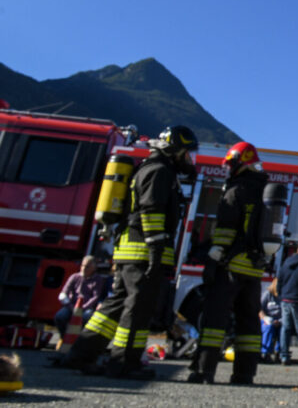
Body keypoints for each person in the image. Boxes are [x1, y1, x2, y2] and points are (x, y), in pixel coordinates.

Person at [63, 125, 197, 379]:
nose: (190, 160)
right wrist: (157, 251)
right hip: (143, 253)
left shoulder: (149, 168)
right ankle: (124, 363)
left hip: (130, 250)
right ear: (176, 151)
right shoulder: (160, 172)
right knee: (138, 309)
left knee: (115, 306)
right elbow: (151, 211)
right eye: (187, 154)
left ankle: (81, 354)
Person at [188, 142, 269, 385]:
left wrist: (216, 253)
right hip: (254, 268)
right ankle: (244, 374)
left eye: (231, 164)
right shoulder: (264, 191)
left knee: (215, 319)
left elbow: (225, 229)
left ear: (240, 164)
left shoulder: (236, 190)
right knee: (248, 322)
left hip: (231, 265)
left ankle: (204, 371)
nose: (228, 169)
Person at [54, 256, 108, 338]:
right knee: (60, 317)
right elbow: (64, 293)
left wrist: (82, 308)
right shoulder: (74, 277)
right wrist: (71, 306)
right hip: (71, 306)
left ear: (94, 268)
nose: (83, 268)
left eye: (87, 266)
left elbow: (95, 297)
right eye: (82, 265)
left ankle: (80, 339)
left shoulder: (98, 279)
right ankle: (64, 337)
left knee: (87, 318)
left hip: (86, 308)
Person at [260, 278, 282, 362]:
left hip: (280, 320)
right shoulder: (267, 294)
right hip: (267, 319)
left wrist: (279, 321)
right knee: (268, 328)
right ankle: (266, 353)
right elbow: (260, 308)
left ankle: (279, 352)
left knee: (284, 329)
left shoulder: (283, 296)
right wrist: (265, 318)